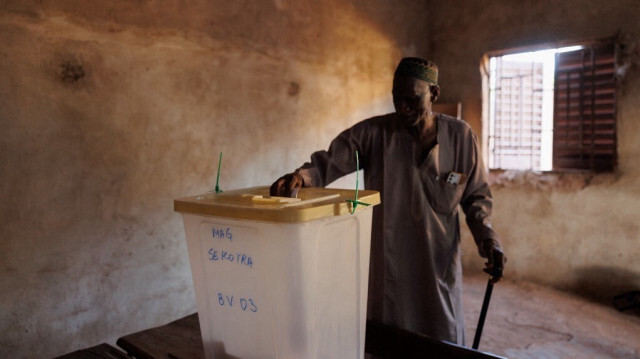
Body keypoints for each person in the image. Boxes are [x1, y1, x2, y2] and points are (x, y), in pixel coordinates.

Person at [270, 57, 505, 346]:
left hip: (438, 265)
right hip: (390, 265)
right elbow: (329, 161)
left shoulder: (461, 137)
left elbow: (477, 198)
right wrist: (302, 177)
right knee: (390, 339)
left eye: (412, 99)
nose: (402, 107)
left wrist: (489, 239)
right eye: (397, 97)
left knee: (442, 340)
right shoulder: (373, 134)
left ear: (434, 94)